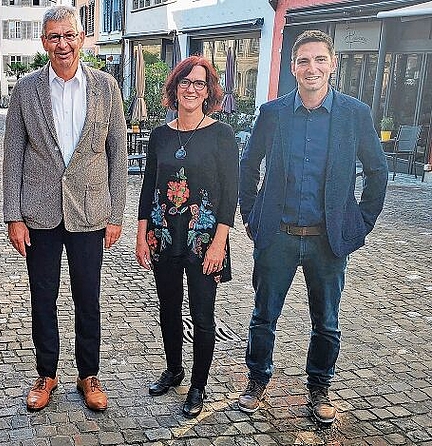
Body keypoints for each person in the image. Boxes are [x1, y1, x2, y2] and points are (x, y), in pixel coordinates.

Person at [237, 30, 388, 424]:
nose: (311, 68)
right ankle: (257, 379)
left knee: (327, 322)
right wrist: (253, 218)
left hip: (328, 242)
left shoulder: (354, 115)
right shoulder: (272, 114)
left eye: (320, 60)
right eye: (303, 60)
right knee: (263, 316)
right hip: (278, 237)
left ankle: (319, 386)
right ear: (293, 67)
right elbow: (248, 167)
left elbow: (377, 171)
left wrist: (360, 224)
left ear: (332, 65)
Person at [3, 5, 127, 412]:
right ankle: (47, 373)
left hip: (90, 212)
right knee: (43, 296)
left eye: (69, 35)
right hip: (39, 212)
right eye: (54, 37)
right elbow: (12, 156)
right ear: (43, 42)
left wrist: (116, 214)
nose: (62, 44)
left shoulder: (107, 87)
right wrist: (13, 216)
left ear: (81, 37)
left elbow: (118, 154)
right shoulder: (25, 90)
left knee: (87, 297)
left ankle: (88, 374)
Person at [135, 55, 238, 417]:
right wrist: (141, 231)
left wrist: (220, 242)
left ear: (209, 91)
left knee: (203, 314)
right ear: (174, 87)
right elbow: (149, 184)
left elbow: (230, 193)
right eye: (185, 82)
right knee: (168, 308)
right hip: (165, 234)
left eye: (199, 84)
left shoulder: (222, 134)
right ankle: (174, 369)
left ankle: (197, 385)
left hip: (204, 237)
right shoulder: (160, 135)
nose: (191, 89)